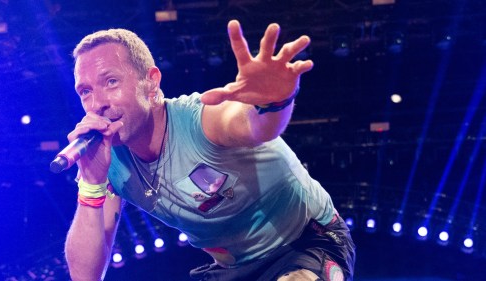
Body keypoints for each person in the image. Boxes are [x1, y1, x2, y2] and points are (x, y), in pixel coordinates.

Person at [63, 19, 356, 281]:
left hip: (306, 243)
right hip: (232, 269)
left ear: (151, 82)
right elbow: (85, 276)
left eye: (111, 82)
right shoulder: (107, 161)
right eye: (85, 91)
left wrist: (274, 101)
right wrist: (90, 182)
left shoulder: (202, 120)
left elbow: (256, 124)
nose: (96, 102)